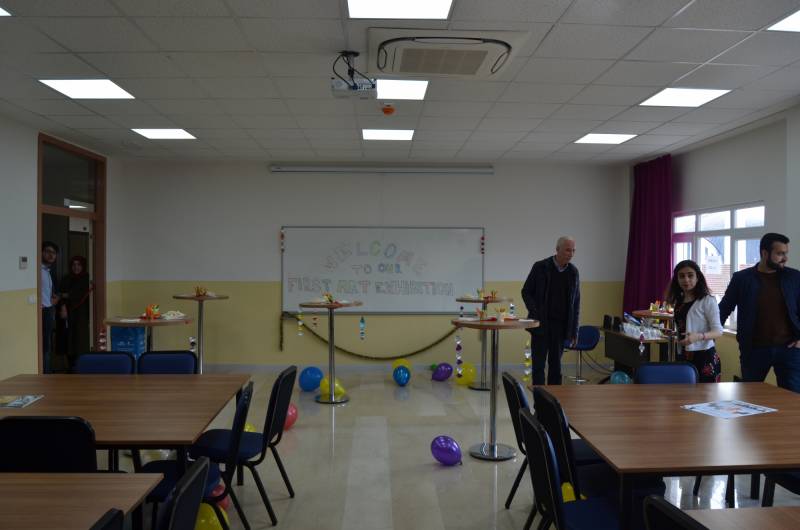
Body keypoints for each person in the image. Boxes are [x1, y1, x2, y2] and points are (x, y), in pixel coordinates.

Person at [719, 233, 800, 392]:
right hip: (754, 349)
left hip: (789, 350)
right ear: (764, 253)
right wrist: (710, 336)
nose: (785, 258)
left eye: (786, 253)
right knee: (750, 396)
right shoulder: (742, 278)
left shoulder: (794, 277)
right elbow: (724, 308)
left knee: (793, 397)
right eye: (780, 253)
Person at [521, 236, 580, 385]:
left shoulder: (573, 272)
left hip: (560, 328)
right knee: (538, 367)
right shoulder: (540, 267)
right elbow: (526, 291)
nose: (571, 254)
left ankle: (553, 399)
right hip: (540, 325)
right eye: (568, 250)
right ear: (557, 249)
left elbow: (576, 303)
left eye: (573, 250)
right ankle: (539, 398)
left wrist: (574, 331)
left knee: (556, 368)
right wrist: (535, 311)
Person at [666, 260, 723, 382]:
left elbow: (718, 331)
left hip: (705, 357)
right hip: (684, 355)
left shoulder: (708, 300)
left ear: (697, 277)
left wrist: (698, 336)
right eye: (681, 276)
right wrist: (674, 334)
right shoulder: (679, 302)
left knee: (706, 393)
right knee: (684, 392)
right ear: (677, 279)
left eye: (690, 275)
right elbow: (684, 326)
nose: (686, 280)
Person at [60, 255, 92, 368]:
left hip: (82, 313)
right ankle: (71, 367)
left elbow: (81, 294)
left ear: (83, 266)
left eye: (79, 264)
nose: (76, 267)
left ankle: (81, 366)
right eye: (73, 264)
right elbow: (61, 295)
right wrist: (63, 306)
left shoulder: (87, 278)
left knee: (80, 340)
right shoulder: (66, 278)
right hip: (67, 313)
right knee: (69, 340)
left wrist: (67, 295)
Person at [40, 241, 59, 374]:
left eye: (53, 253)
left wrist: (54, 299)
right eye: (47, 251)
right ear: (41, 252)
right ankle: (46, 374)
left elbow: (47, 292)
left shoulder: (47, 271)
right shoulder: (38, 270)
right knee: (45, 345)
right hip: (42, 311)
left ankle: (48, 372)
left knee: (47, 344)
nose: (51, 255)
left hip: (49, 310)